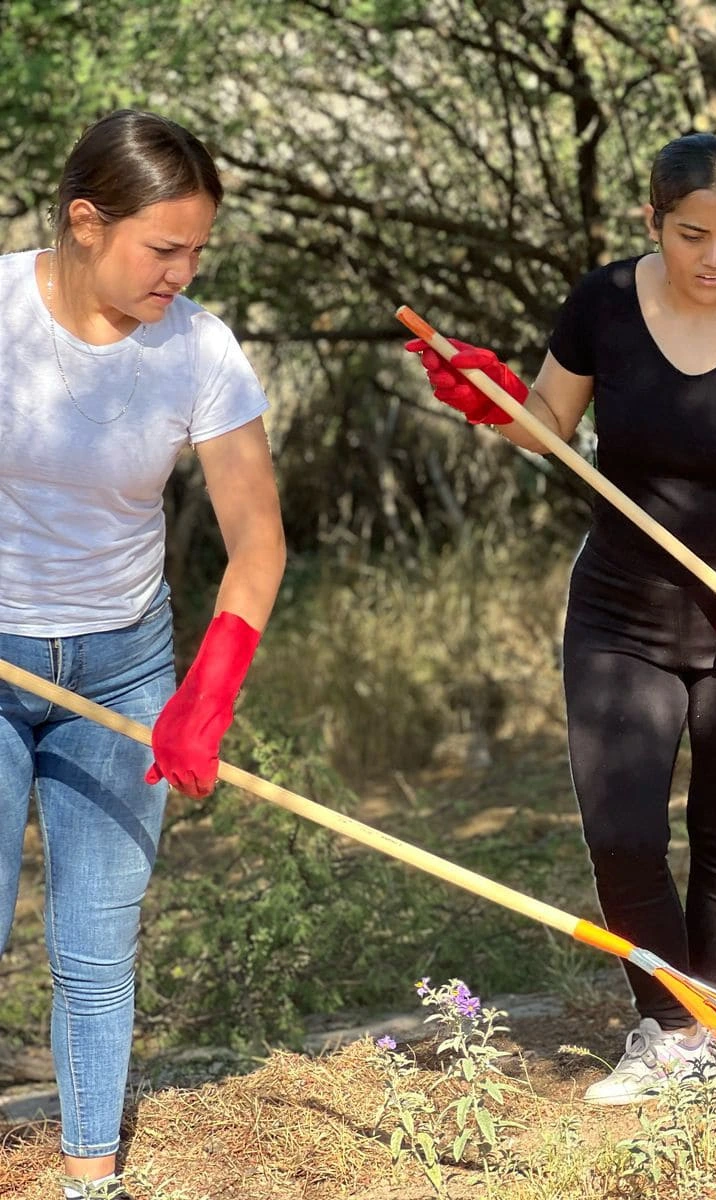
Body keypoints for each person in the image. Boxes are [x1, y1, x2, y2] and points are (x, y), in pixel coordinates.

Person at [407, 132, 716, 1104]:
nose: (713, 258)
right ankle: (670, 1033)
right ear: (651, 221)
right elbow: (548, 428)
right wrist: (486, 397)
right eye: (692, 233)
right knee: (621, 834)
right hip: (622, 609)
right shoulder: (604, 305)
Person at [0, 111, 285, 1198]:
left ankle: (89, 1182)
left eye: (197, 251)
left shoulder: (198, 349)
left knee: (94, 945)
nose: (183, 272)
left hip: (123, 670)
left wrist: (205, 695)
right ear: (84, 222)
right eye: (163, 249)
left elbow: (258, 540)